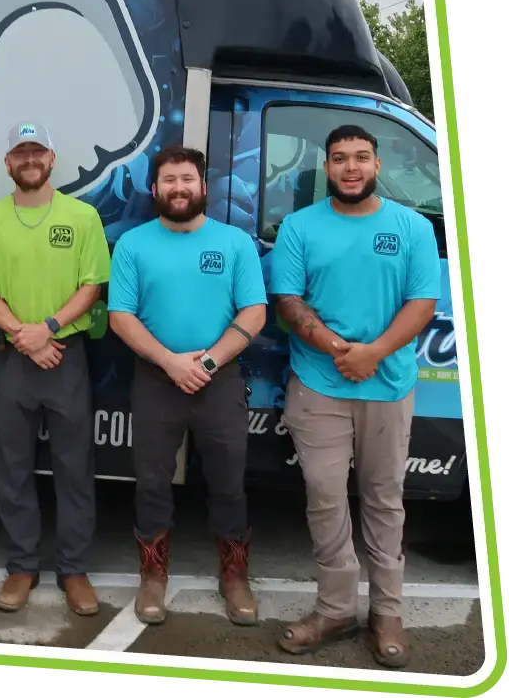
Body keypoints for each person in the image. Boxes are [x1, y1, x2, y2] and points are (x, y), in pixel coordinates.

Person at [270, 124, 440, 668]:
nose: (350, 167)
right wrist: (340, 348)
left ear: (377, 165)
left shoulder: (411, 226)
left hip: (387, 385)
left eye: (361, 158)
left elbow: (422, 303)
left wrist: (374, 353)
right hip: (319, 383)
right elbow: (289, 303)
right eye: (340, 158)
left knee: (385, 498)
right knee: (323, 496)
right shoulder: (299, 227)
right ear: (326, 167)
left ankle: (387, 612)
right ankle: (336, 608)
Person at [108, 144, 267, 626]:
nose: (179, 188)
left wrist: (210, 363)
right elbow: (120, 316)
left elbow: (255, 312)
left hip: (219, 382)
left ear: (203, 186)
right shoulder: (134, 244)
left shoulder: (235, 243)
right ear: (154, 189)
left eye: (188, 180)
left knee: (228, 482)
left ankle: (235, 575)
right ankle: (153, 576)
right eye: (169, 181)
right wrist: (171, 363)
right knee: (152, 482)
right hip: (156, 380)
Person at [0, 122, 111, 616]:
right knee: (12, 468)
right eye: (19, 153)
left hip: (66, 357)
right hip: (14, 359)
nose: (29, 160)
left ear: (52, 158)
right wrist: (23, 338)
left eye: (37, 152)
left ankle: (74, 571)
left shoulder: (83, 216)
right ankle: (22, 566)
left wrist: (46, 328)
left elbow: (92, 286)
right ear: (8, 163)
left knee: (75, 468)